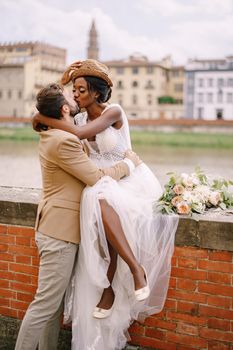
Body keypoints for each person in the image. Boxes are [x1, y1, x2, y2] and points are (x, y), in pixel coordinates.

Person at [33, 59, 179, 350]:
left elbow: (78, 135)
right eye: (74, 90)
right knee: (100, 199)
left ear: (97, 93)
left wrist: (43, 119)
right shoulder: (75, 120)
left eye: (81, 90)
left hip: (128, 177)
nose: (75, 95)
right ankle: (113, 285)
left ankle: (132, 272)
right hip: (103, 182)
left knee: (101, 197)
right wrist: (43, 117)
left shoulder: (114, 112)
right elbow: (63, 128)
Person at [14, 83, 141, 350]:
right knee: (44, 305)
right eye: (68, 94)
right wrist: (128, 165)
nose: (74, 95)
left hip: (59, 231)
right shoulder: (64, 141)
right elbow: (94, 177)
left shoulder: (52, 132)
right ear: (63, 108)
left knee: (54, 306)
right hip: (59, 234)